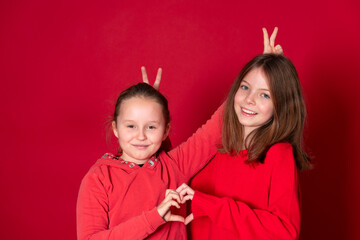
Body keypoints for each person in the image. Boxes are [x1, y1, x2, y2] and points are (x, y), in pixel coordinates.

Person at [176, 37, 311, 239]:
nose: (249, 99)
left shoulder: (278, 155)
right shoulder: (216, 148)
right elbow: (164, 175)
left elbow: (283, 232)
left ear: (281, 105)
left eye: (265, 95)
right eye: (245, 87)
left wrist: (208, 205)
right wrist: (147, 118)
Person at [76, 79, 223, 239]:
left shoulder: (175, 165)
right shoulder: (99, 178)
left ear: (166, 130)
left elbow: (217, 127)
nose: (141, 136)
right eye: (131, 126)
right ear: (115, 129)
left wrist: (249, 86)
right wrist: (155, 217)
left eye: (151, 127)